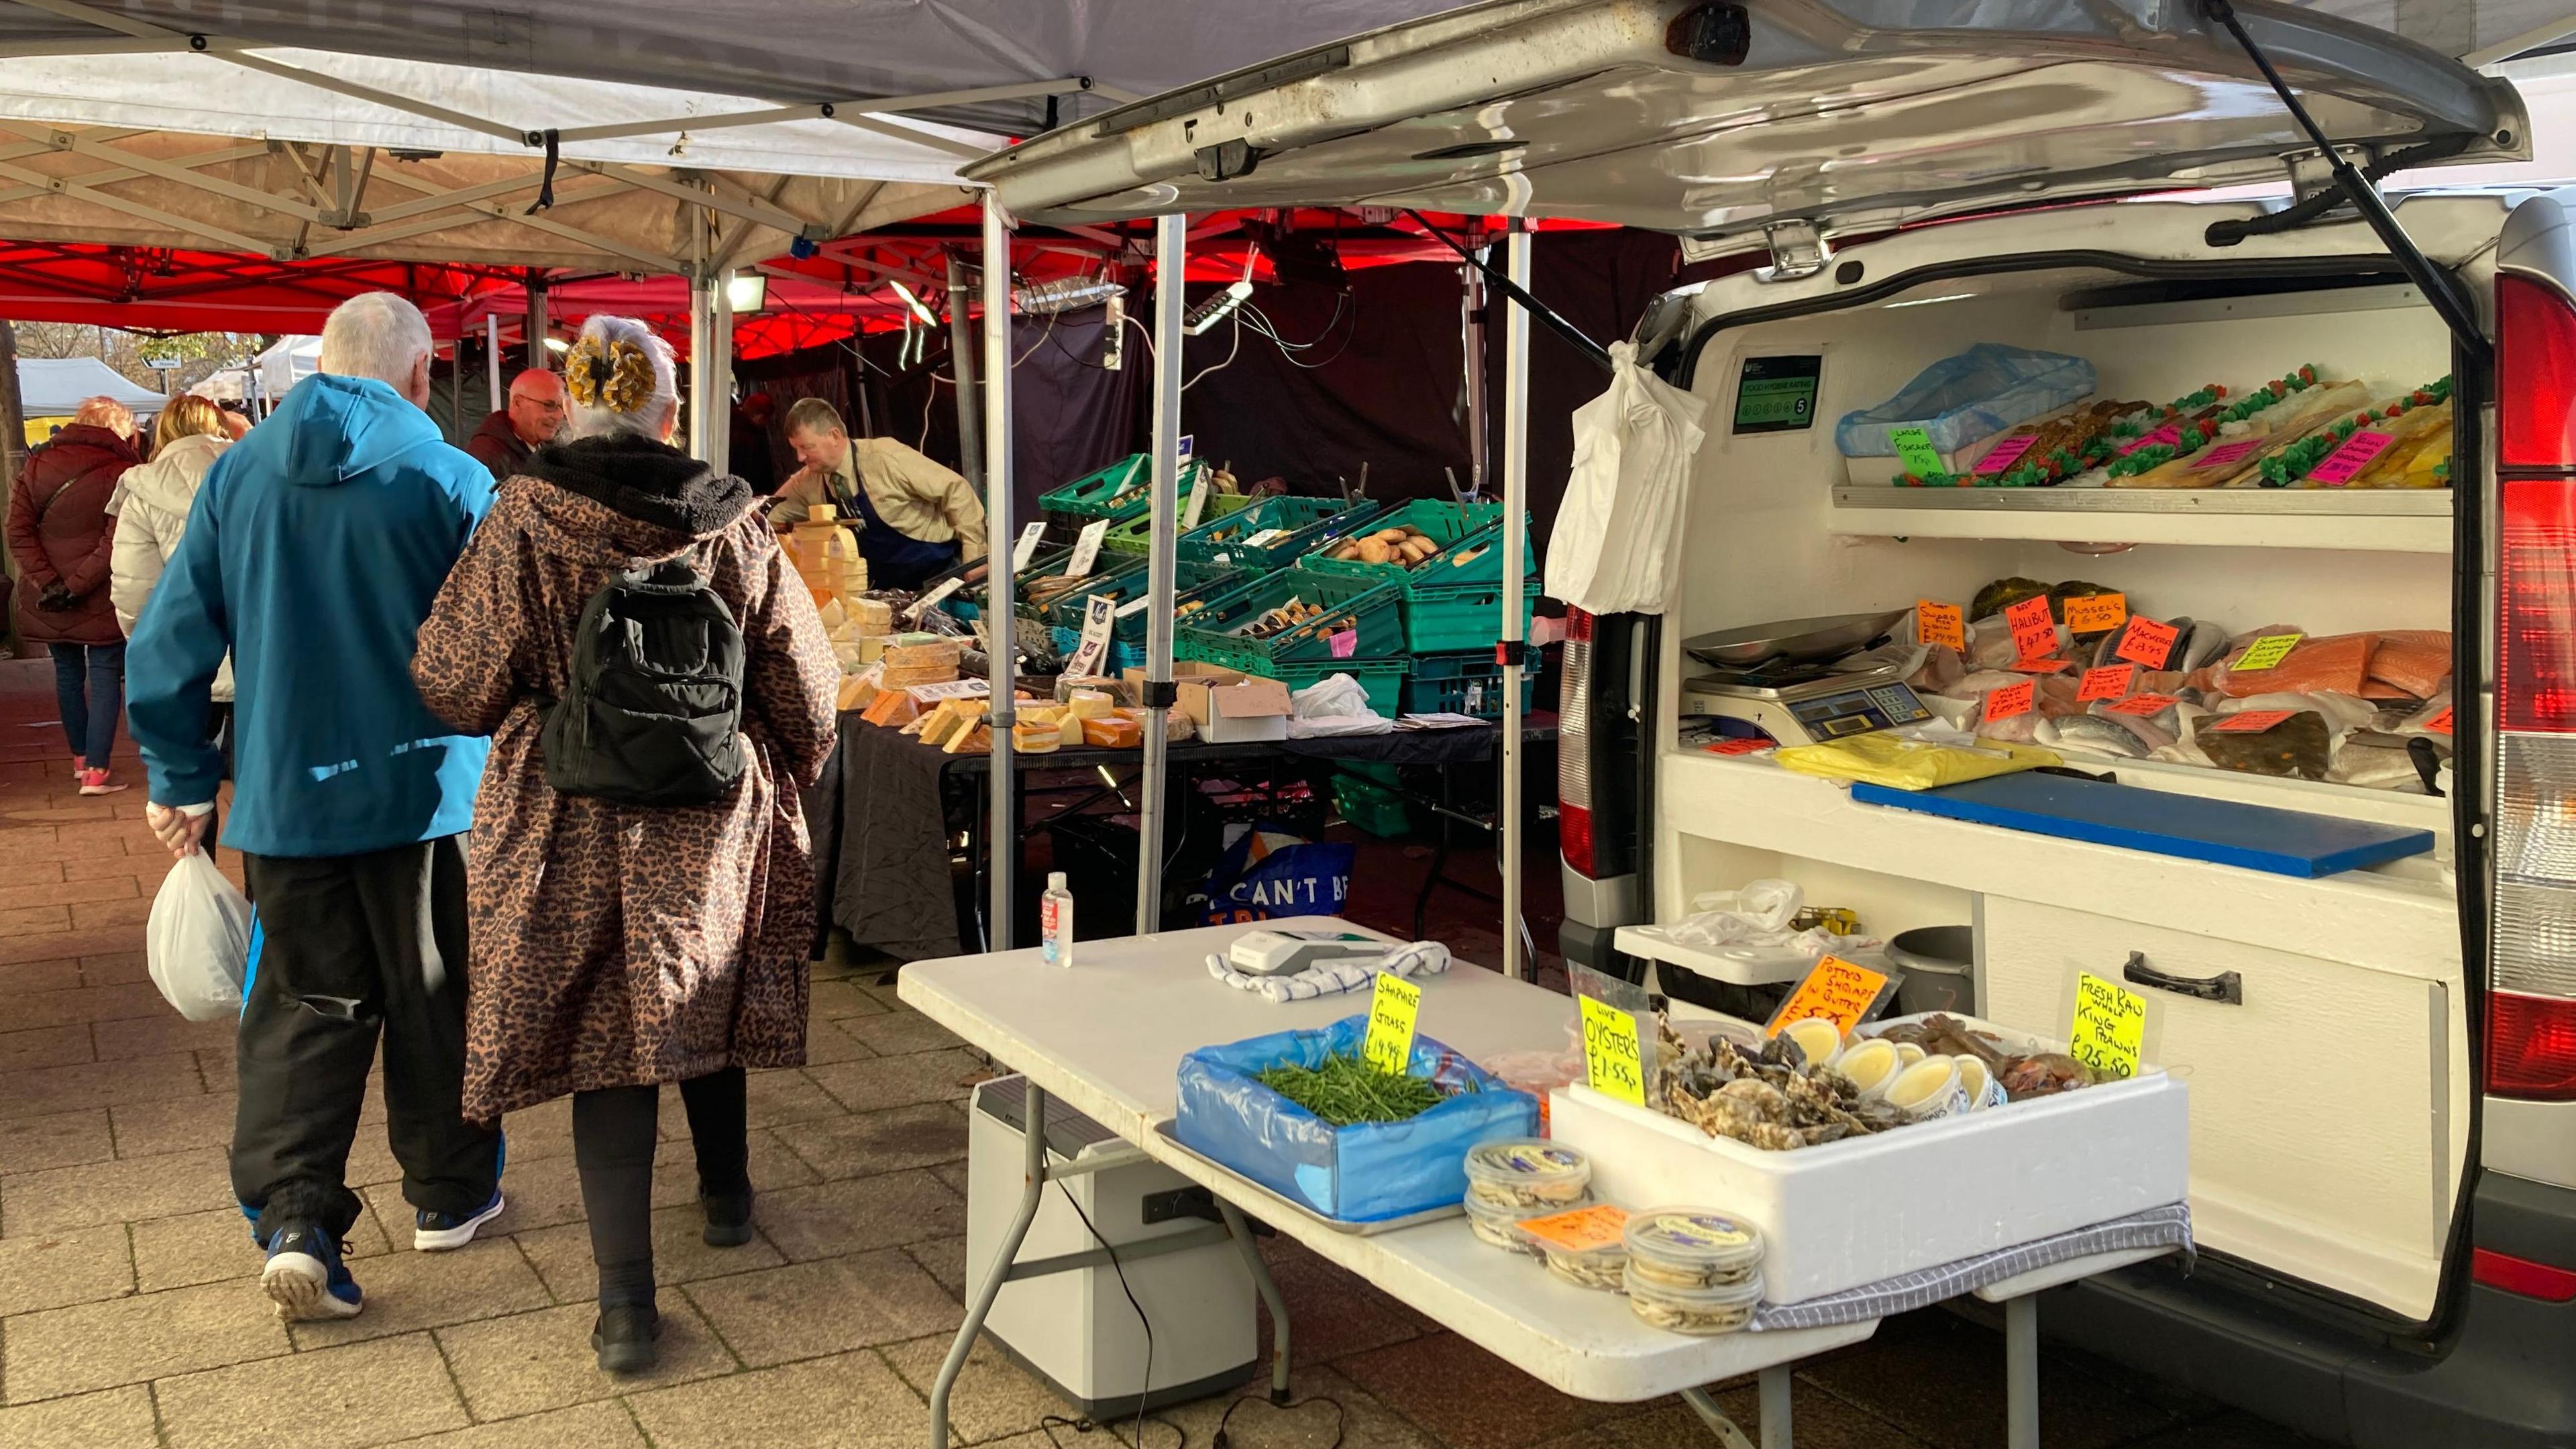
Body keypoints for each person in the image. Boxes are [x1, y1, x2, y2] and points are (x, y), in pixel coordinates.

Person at [412, 314, 835, 1374]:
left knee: (610, 1037)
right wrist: (787, 764)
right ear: (671, 411)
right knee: (708, 985)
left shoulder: (520, 517)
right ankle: (729, 1198)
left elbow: (453, 681)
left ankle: (625, 1309)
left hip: (566, 809)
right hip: (708, 808)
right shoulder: (733, 523)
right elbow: (804, 681)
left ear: (571, 408)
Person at [126, 292, 506, 1324]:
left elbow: (167, 643)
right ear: (421, 374)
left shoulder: (236, 476)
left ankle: (299, 1221)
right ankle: (450, 1194)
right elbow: (510, 649)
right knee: (439, 1001)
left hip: (287, 799)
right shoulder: (454, 479)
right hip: (429, 794)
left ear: (320, 366)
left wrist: (180, 777)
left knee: (303, 1008)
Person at [7, 395, 140, 795]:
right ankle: (98, 771)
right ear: (117, 428)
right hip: (100, 593)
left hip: (49, 598)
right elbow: (116, 540)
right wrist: (79, 585)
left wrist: (50, 583)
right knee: (104, 678)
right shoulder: (125, 471)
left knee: (66, 674)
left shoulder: (36, 465)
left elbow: (18, 531)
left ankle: (80, 759)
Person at [109, 395, 236, 806]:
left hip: (181, 656)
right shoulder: (257, 474)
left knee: (186, 785)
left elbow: (134, 590)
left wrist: (150, 655)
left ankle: (198, 860)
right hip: (261, 654)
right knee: (260, 780)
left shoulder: (143, 488)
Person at [768, 396, 985, 590]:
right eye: (796, 449)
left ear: (834, 435)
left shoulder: (886, 457)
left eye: (807, 447)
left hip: (941, 579)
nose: (800, 457)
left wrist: (975, 557)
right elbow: (765, 515)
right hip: (886, 592)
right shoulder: (807, 481)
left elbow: (956, 490)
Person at [463, 368, 568, 480]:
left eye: (563, 407)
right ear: (518, 403)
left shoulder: (549, 448)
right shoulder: (486, 455)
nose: (559, 416)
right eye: (549, 405)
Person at [729, 391, 779, 494]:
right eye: (766, 420)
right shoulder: (751, 440)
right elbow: (754, 472)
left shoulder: (726, 423)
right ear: (760, 418)